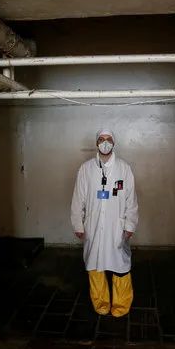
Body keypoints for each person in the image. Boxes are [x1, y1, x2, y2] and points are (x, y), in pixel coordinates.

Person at [70, 129, 139, 317]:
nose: (105, 143)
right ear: (96, 143)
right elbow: (78, 199)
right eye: (101, 139)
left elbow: (131, 201)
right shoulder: (86, 169)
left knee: (121, 265)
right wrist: (78, 224)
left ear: (114, 143)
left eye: (109, 139)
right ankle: (100, 302)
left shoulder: (124, 169)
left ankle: (121, 305)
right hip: (93, 227)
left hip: (116, 228)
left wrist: (130, 225)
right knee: (94, 264)